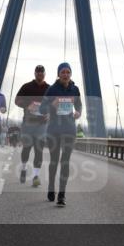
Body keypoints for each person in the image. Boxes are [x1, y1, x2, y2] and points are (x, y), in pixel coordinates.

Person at [39, 62, 82, 206]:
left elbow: (79, 104)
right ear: (58, 74)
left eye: (68, 72)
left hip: (69, 129)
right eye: (63, 72)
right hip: (54, 130)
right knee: (54, 160)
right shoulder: (52, 89)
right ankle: (51, 187)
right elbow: (42, 109)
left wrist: (78, 112)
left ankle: (62, 194)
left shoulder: (75, 89)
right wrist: (52, 104)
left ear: (71, 74)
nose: (65, 75)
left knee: (65, 161)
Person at [14, 64, 50, 186]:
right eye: (38, 72)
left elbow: (55, 105)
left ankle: (35, 176)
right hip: (28, 123)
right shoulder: (26, 86)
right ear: (35, 74)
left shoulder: (49, 88)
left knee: (39, 150)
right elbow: (17, 100)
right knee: (27, 148)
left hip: (42, 124)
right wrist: (27, 105)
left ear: (44, 74)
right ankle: (24, 168)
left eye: (42, 72)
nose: (40, 74)